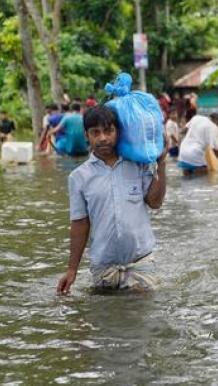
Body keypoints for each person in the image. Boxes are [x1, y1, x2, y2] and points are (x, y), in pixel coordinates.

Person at [56, 105, 168, 294]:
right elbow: (80, 225)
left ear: (118, 131)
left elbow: (155, 202)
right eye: (95, 132)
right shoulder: (78, 177)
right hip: (103, 268)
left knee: (145, 320)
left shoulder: (137, 164)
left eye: (108, 131)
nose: (102, 138)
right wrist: (71, 270)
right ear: (86, 135)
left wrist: (162, 163)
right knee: (105, 319)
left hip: (141, 264)